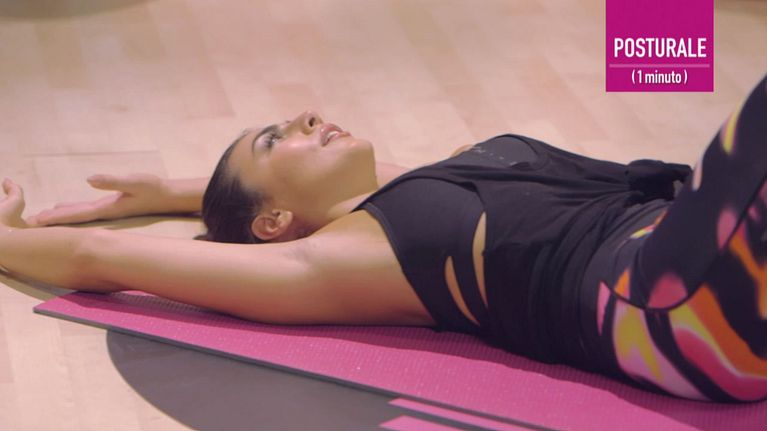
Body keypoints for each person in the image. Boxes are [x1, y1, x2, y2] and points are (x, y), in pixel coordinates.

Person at [2, 75, 766, 403]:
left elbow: (372, 187)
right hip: (674, 312)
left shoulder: (417, 186)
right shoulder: (349, 255)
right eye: (274, 138)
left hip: (692, 256)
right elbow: (97, 258)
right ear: (274, 224)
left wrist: (172, 191)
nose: (305, 115)